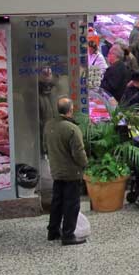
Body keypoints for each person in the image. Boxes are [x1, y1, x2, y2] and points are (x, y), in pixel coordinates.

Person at [44, 98, 89, 246]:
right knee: (71, 204)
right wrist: (85, 165)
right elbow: (79, 153)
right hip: (71, 172)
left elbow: (45, 147)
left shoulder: (49, 125)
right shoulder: (71, 129)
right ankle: (68, 235)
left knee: (57, 201)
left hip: (56, 170)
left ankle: (53, 231)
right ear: (70, 110)